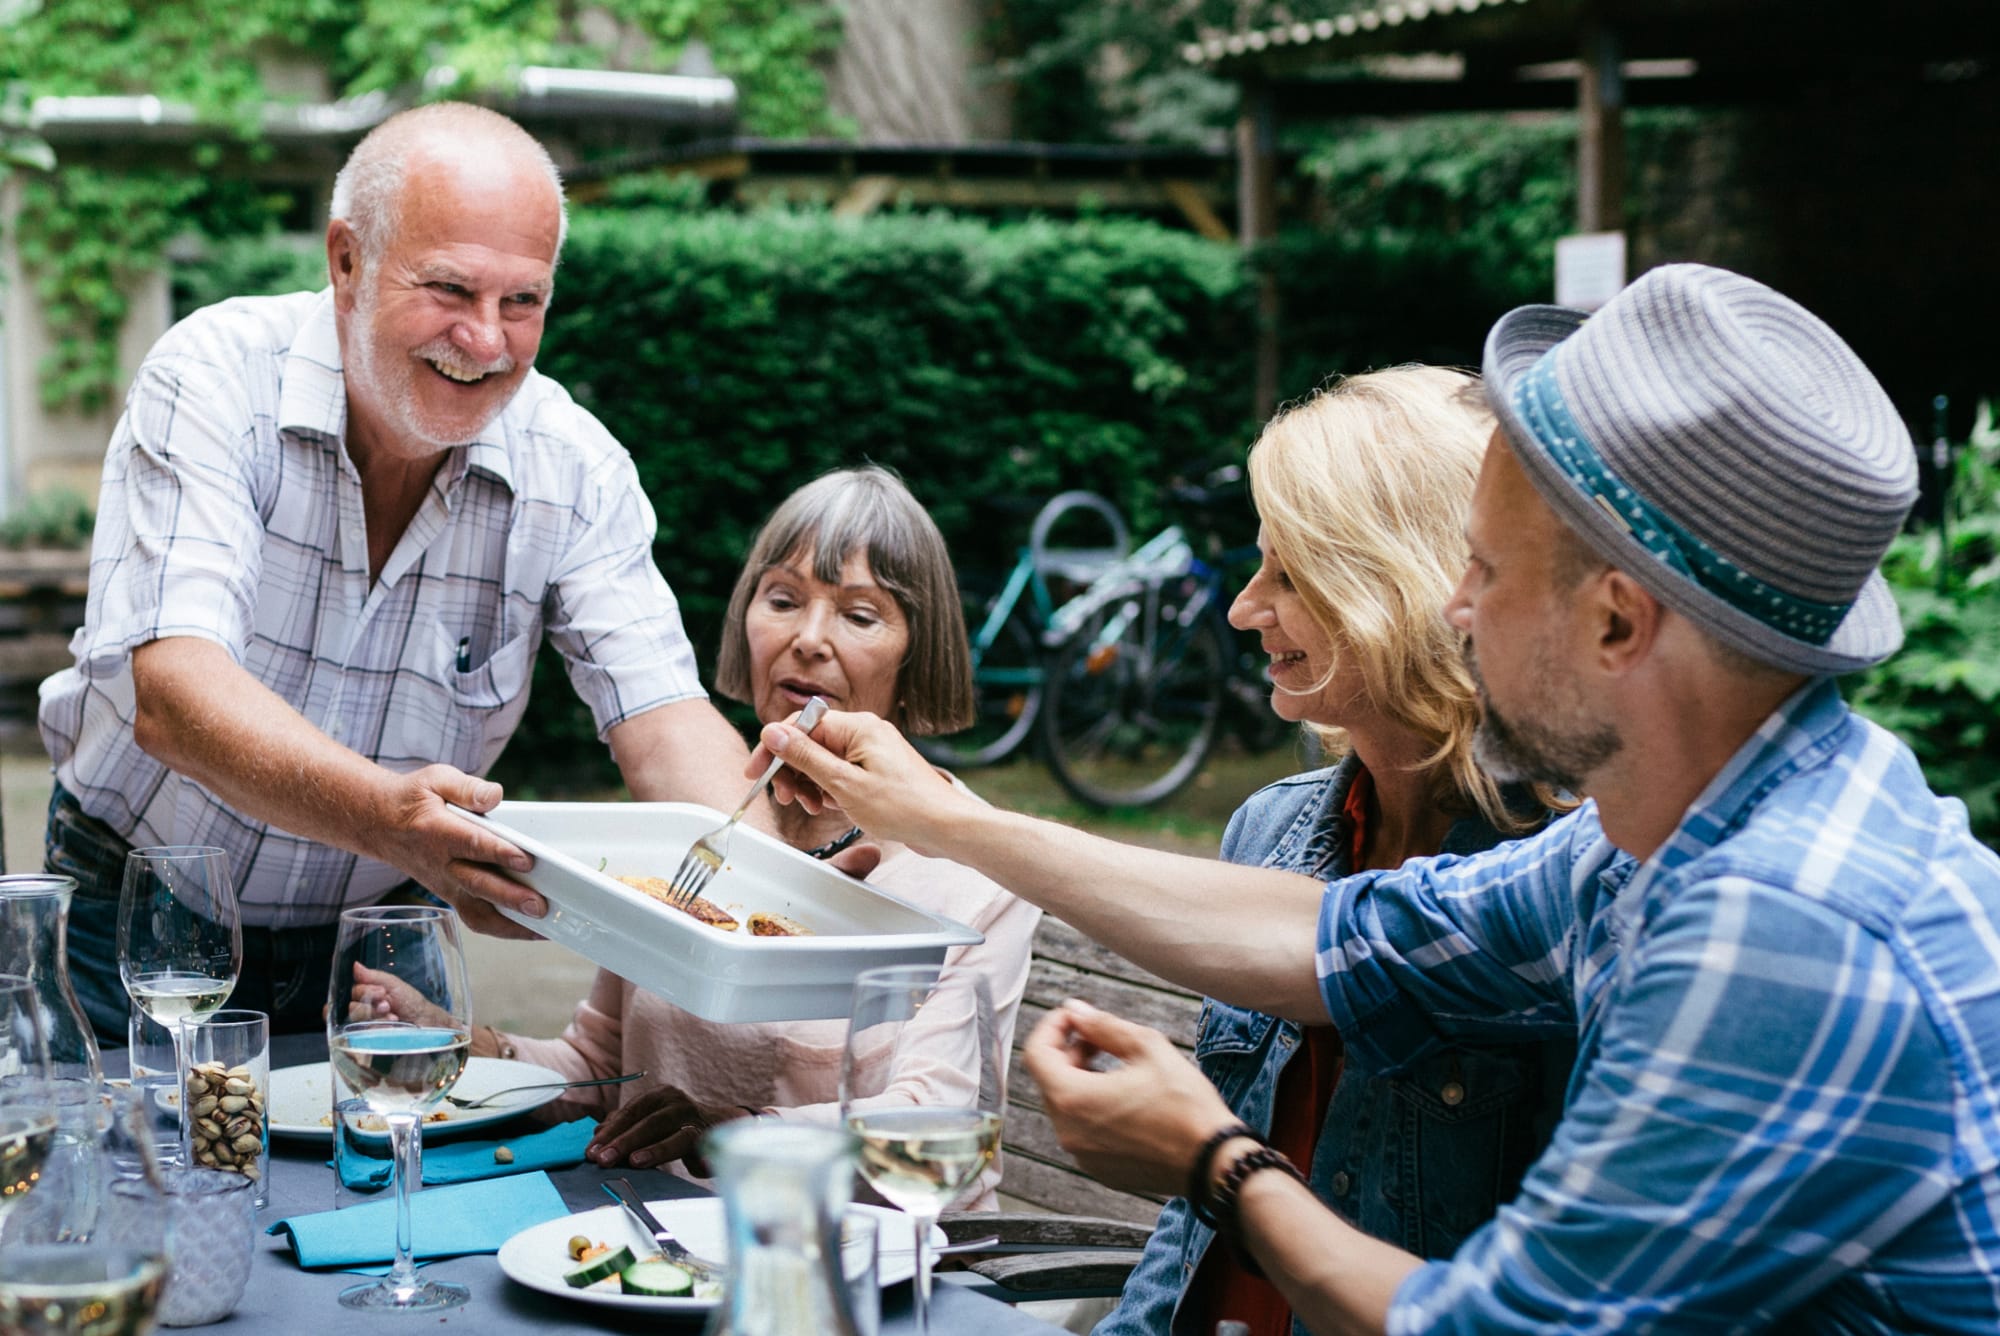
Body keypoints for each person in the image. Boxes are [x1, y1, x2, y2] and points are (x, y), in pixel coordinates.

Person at [750, 264, 2000, 1330]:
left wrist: (1210, 1159)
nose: (1452, 608)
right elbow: (1336, 935)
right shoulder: (1668, 835)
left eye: (1485, 570)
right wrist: (940, 822)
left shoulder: (1781, 924)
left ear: (1615, 620)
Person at [40, 102, 757, 1042]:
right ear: (347, 260)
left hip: (379, 940)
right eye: (451, 291)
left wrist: (783, 883)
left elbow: (663, 722)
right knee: (125, 1185)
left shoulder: (575, 466)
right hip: (139, 916)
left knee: (407, 1187)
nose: (487, 341)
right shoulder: (215, 378)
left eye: (523, 301)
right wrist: (390, 819)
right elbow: (174, 694)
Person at [1099, 367, 1573, 1336]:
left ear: (1394, 578)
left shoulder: (1560, 876)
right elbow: (1192, 1227)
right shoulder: (1269, 830)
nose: (1241, 608)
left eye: (1286, 572)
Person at [478, 467, 1040, 1199]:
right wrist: (476, 1053)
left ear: (917, 655)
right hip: (654, 1248)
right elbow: (598, 1066)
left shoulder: (975, 875)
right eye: (782, 600)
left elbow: (937, 1143)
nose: (807, 640)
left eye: (860, 616)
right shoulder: (692, 824)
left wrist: (742, 1131)